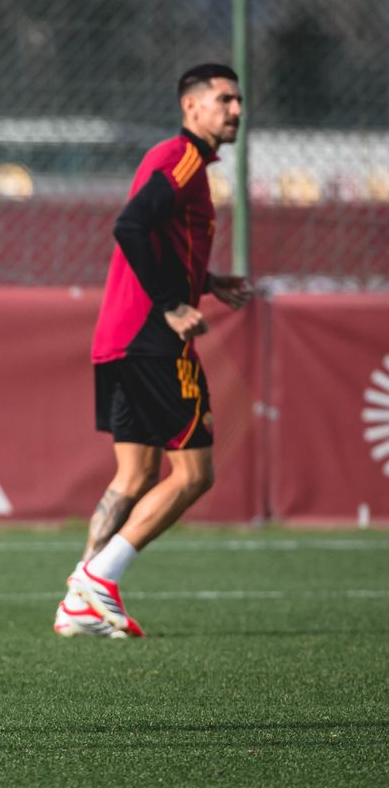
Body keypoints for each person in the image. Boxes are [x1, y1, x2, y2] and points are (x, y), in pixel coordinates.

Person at [55, 63, 253, 638]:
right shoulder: (183, 157)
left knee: (136, 473)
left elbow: (160, 239)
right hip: (153, 339)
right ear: (191, 106)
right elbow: (131, 226)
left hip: (119, 337)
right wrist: (171, 303)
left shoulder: (180, 162)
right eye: (225, 99)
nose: (236, 110)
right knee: (195, 474)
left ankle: (78, 603)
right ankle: (98, 578)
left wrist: (206, 282)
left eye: (239, 101)